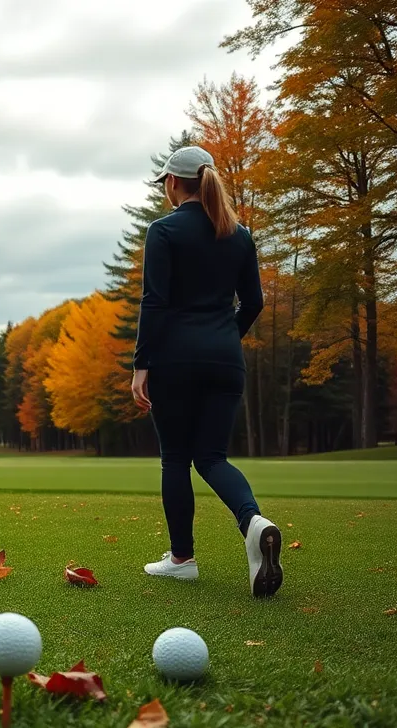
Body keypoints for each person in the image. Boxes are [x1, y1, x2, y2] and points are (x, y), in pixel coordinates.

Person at [131, 145, 283, 598]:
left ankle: (182, 559)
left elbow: (154, 302)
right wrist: (223, 338)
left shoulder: (164, 232)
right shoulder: (240, 234)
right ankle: (253, 522)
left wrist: (142, 364)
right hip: (225, 360)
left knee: (176, 458)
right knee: (211, 457)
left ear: (174, 184)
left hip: (174, 361)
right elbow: (253, 302)